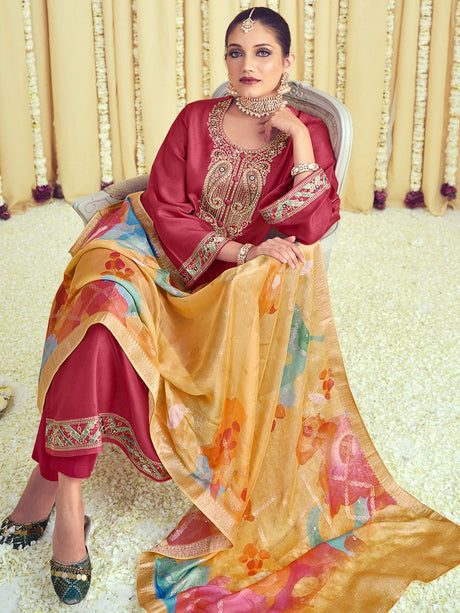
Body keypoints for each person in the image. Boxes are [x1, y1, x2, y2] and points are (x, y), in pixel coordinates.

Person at [1, 7, 458, 611]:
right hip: (159, 252)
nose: (248, 64)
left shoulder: (306, 136)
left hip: (236, 289)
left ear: (286, 62)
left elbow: (312, 224)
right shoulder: (196, 119)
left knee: (116, 323)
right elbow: (166, 207)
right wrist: (238, 247)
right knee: (99, 311)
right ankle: (69, 505)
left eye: (263, 52)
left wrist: (298, 138)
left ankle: (43, 485)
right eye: (236, 53)